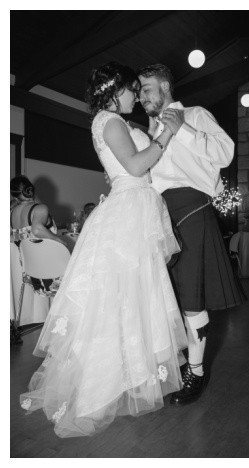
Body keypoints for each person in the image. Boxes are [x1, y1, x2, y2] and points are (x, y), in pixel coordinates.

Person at [19, 62, 188, 437]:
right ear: (115, 91)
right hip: (128, 216)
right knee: (118, 301)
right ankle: (99, 387)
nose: (136, 96)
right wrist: (167, 135)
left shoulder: (116, 123)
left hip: (133, 212)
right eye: (131, 90)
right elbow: (136, 164)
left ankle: (128, 375)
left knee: (130, 299)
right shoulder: (110, 122)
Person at [138, 63, 246, 405]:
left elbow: (225, 153)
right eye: (139, 91)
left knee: (192, 297)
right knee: (165, 297)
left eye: (147, 89)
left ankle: (196, 373)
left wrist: (182, 129)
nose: (142, 97)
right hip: (158, 215)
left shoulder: (197, 114)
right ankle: (174, 364)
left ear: (166, 87)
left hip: (193, 209)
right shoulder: (150, 129)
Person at [10, 176, 66, 248]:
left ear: (15, 198)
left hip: (24, 258)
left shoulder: (11, 213)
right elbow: (37, 230)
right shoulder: (40, 208)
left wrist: (21, 237)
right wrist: (61, 242)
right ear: (32, 190)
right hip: (45, 256)